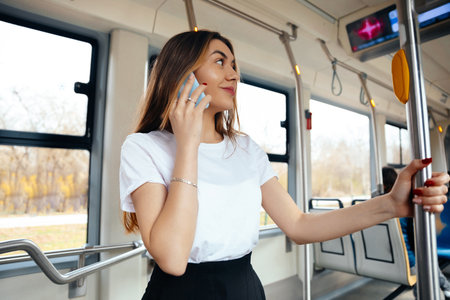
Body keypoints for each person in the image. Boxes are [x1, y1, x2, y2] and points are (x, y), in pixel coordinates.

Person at [119, 29, 450, 300]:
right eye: (220, 62)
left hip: (244, 288)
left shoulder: (246, 149)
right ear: (183, 73)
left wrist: (391, 204)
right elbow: (173, 260)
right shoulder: (143, 148)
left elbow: (300, 225)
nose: (233, 73)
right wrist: (188, 143)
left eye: (234, 64)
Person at [383, 166, 450, 299]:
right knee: (427, 262)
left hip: (387, 261)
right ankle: (446, 287)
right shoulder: (407, 210)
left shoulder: (378, 213)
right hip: (410, 263)